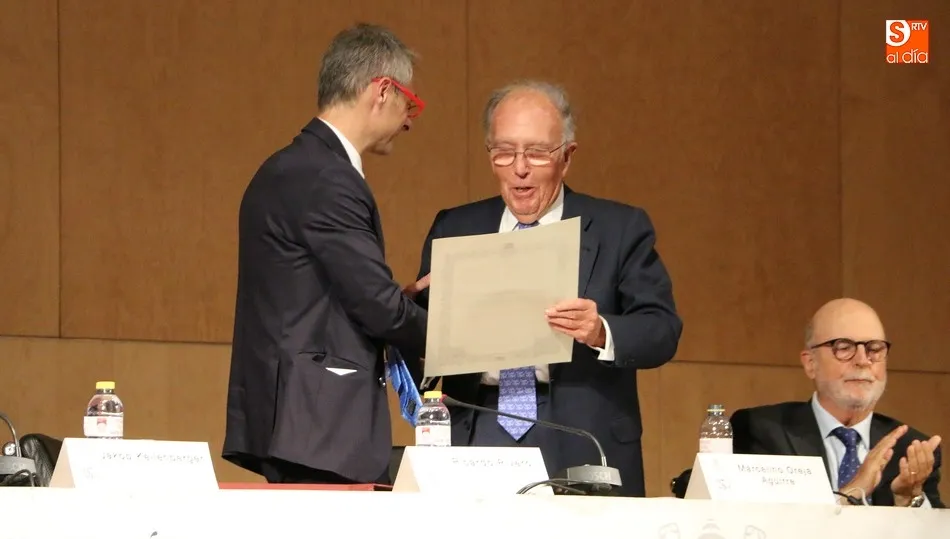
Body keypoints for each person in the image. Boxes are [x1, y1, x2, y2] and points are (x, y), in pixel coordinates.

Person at [411, 80, 683, 497]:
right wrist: (411, 316)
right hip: (478, 426)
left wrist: (600, 331)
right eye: (504, 152)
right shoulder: (455, 228)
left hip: (580, 434)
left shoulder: (618, 228)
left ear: (567, 157)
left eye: (537, 153)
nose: (520, 168)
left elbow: (661, 331)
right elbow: (425, 351)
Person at [223, 23, 430, 485]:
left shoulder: (288, 166)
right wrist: (459, 340)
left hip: (295, 420)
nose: (410, 119)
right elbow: (378, 309)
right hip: (320, 426)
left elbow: (315, 295)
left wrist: (396, 300)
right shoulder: (328, 177)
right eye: (409, 104)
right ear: (382, 90)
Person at [729, 298, 943, 507]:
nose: (862, 360)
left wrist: (908, 499)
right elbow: (761, 523)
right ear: (810, 363)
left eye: (874, 349)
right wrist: (853, 491)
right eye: (844, 347)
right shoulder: (763, 431)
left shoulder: (910, 449)